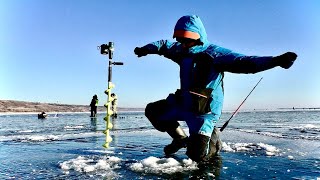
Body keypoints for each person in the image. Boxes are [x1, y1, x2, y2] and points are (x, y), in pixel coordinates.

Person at [134, 15, 297, 162]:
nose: (183, 44)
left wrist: (276, 60)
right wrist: (146, 49)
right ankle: (180, 139)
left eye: (187, 40)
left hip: (204, 112)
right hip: (184, 104)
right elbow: (163, 45)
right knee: (154, 111)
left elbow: (246, 62)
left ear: (198, 38)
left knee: (197, 157)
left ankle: (212, 138)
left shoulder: (214, 54)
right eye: (180, 39)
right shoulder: (180, 50)